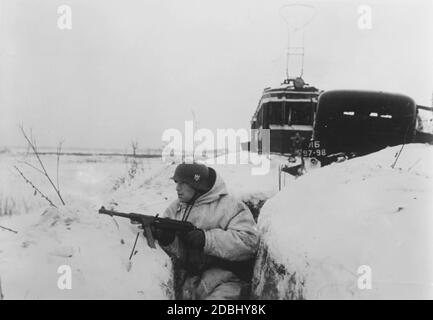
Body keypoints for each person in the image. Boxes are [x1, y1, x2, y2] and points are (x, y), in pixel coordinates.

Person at [152, 163, 259, 300]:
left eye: (183, 183)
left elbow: (249, 242)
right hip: (188, 282)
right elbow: (178, 255)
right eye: (177, 182)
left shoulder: (230, 206)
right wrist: (168, 240)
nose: (177, 188)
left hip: (226, 280)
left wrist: (207, 239)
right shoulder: (175, 208)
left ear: (197, 185)